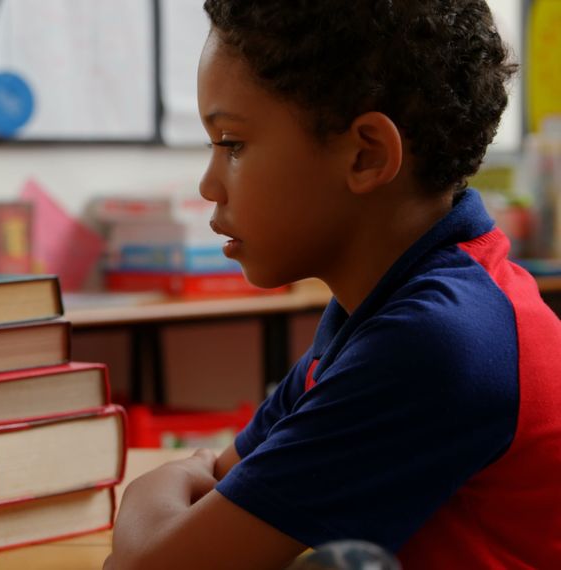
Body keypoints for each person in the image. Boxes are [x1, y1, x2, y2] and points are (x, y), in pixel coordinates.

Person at [105, 1, 561, 569]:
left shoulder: (440, 339)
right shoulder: (378, 308)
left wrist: (150, 487)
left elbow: (154, 564)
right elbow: (226, 482)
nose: (208, 185)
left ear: (367, 155)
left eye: (233, 144)